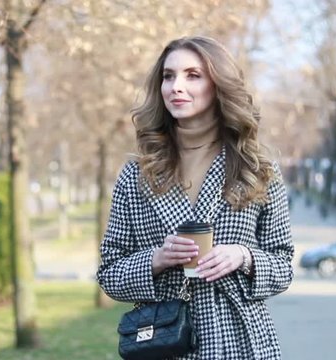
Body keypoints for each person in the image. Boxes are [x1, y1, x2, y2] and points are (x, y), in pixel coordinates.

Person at [96, 35, 294, 360]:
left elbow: (283, 265)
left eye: (193, 75)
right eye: (168, 75)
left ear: (218, 85)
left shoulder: (256, 168)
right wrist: (156, 260)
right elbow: (110, 274)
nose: (176, 86)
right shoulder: (136, 174)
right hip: (164, 339)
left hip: (240, 340)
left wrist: (243, 256)